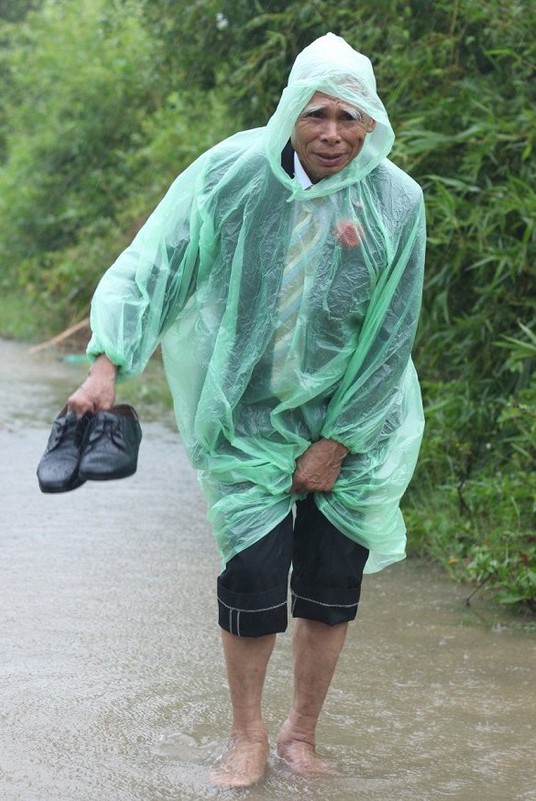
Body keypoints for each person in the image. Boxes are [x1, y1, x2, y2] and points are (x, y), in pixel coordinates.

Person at [67, 32, 425, 788]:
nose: (332, 133)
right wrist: (108, 362)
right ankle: (247, 735)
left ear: (372, 122)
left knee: (330, 588)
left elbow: (393, 331)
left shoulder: (397, 200)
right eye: (317, 114)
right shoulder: (233, 176)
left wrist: (338, 440)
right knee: (254, 577)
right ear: (291, 111)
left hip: (353, 421)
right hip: (247, 418)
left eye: (350, 118)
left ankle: (300, 734)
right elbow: (158, 261)